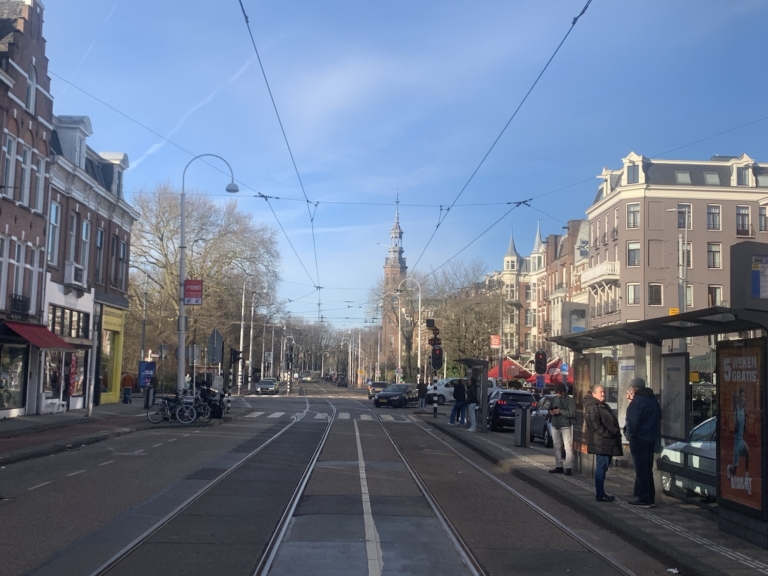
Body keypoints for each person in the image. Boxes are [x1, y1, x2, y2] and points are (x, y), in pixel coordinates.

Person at [624, 377, 661, 508]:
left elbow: (632, 421)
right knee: (648, 468)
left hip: (639, 439)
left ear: (634, 389)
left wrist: (628, 435)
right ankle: (650, 497)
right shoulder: (653, 400)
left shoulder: (637, 402)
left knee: (641, 469)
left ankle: (644, 498)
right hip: (651, 438)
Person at [584, 384, 622, 502]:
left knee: (603, 466)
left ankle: (601, 492)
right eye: (601, 392)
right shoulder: (593, 406)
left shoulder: (600, 405)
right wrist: (607, 434)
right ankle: (599, 493)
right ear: (594, 394)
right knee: (601, 466)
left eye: (604, 392)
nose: (603, 394)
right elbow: (594, 423)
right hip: (601, 442)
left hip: (606, 441)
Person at [548, 382, 576, 475]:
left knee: (568, 447)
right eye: (557, 392)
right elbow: (550, 408)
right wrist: (551, 412)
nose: (558, 394)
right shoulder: (554, 399)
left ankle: (568, 467)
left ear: (564, 392)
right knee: (557, 446)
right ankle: (558, 465)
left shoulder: (569, 400)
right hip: (555, 425)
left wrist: (560, 411)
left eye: (560, 392)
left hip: (565, 425)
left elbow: (572, 413)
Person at [727, 387, 750, 482]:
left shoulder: (743, 411)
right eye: (742, 396)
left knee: (748, 453)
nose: (743, 399)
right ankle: (729, 468)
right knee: (734, 471)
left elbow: (745, 425)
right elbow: (735, 427)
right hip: (737, 440)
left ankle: (746, 476)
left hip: (741, 439)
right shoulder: (736, 410)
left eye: (744, 397)